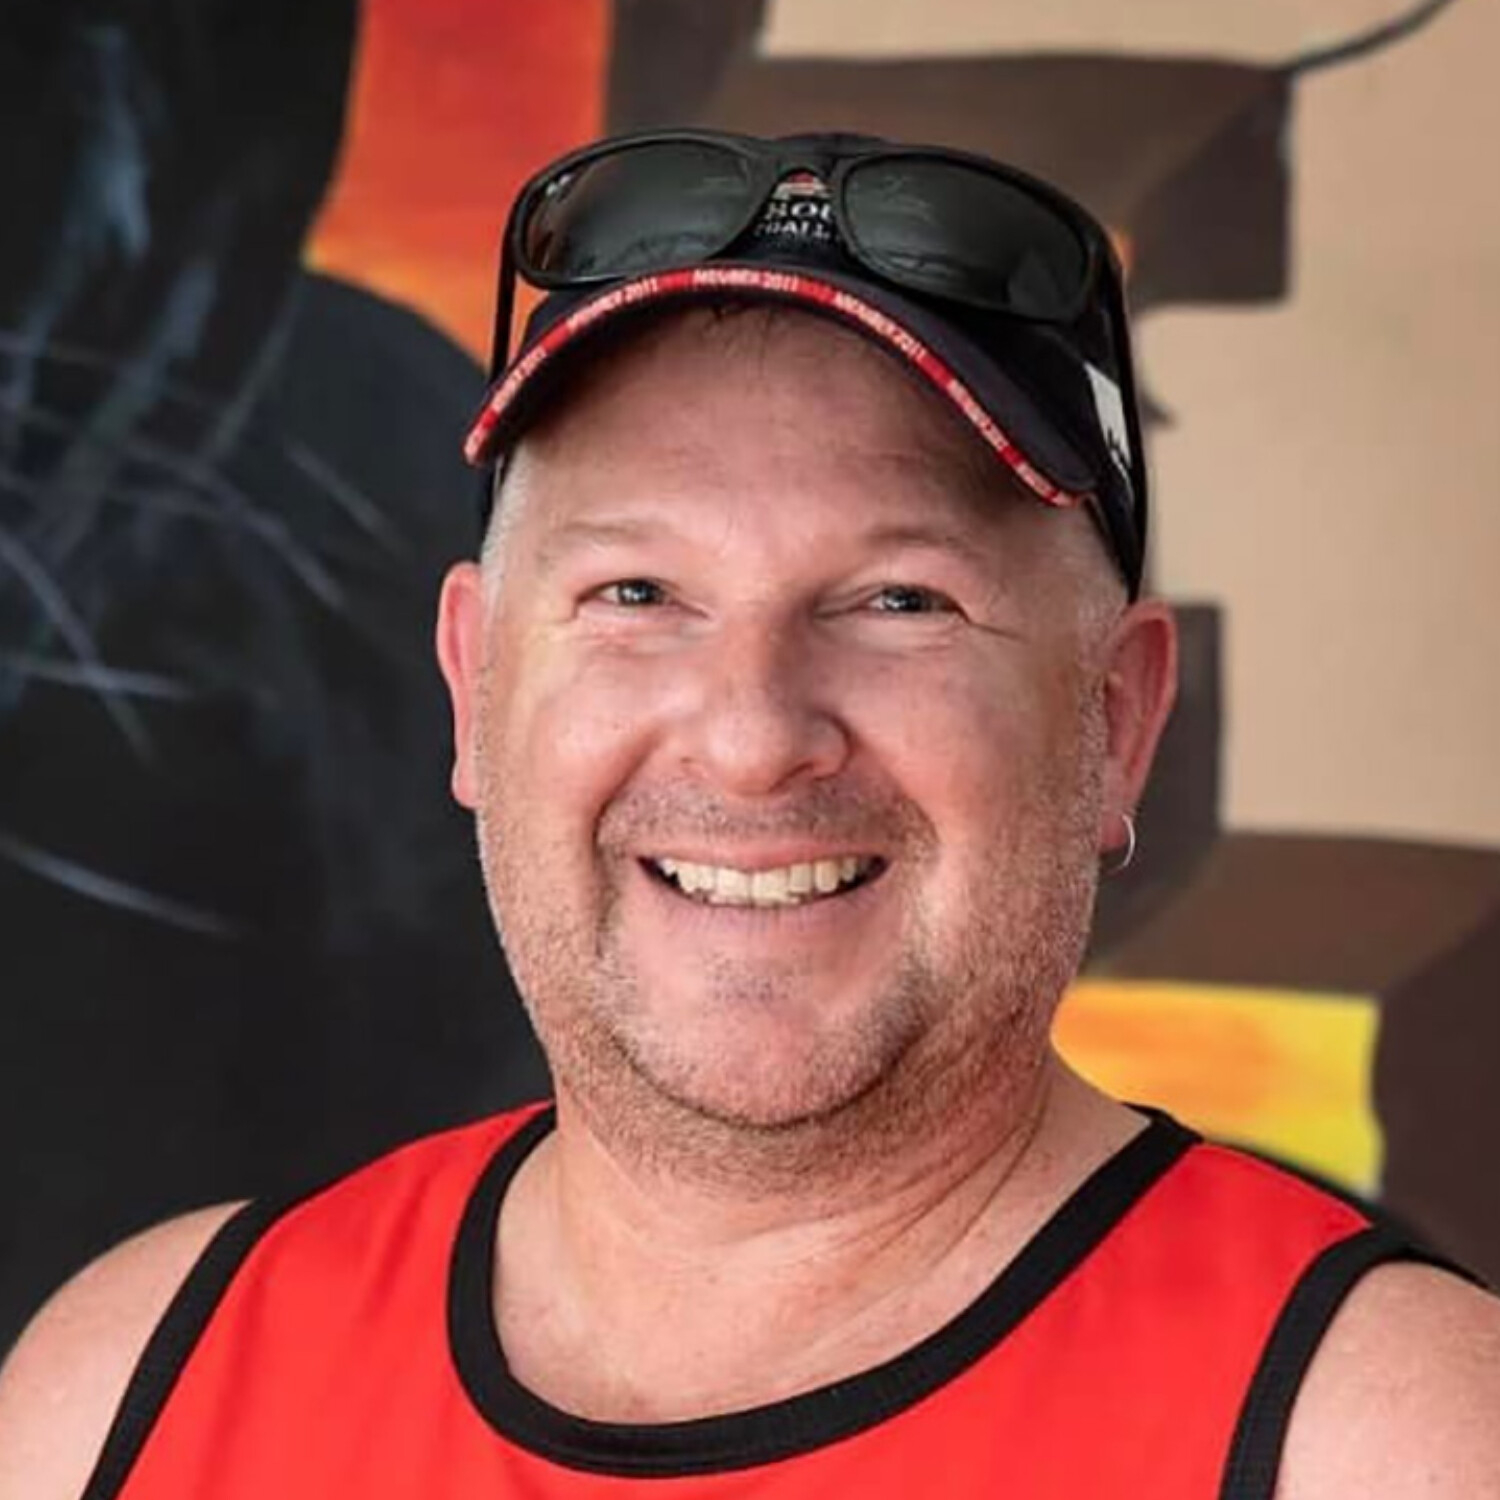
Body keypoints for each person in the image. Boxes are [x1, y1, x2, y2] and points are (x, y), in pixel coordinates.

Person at [2, 128, 1497, 1499]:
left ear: (1114, 722)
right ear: (474, 686)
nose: (750, 735)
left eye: (900, 600)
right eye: (636, 593)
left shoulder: (1386, 1441)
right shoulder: (127, 1392)